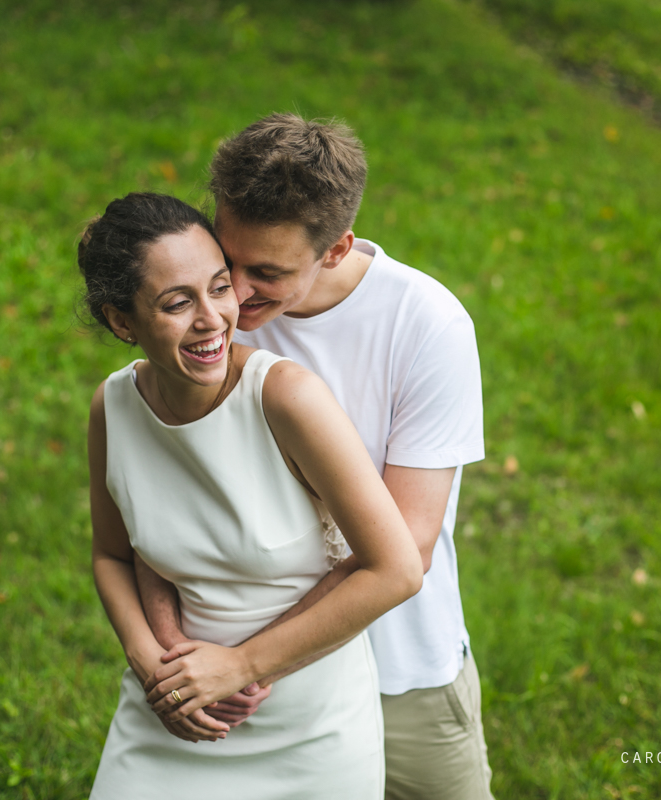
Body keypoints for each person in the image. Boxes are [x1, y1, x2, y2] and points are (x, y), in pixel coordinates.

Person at [136, 114, 495, 800]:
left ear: (336, 249)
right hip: (231, 688)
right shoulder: (203, 320)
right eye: (228, 261)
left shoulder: (427, 325)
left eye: (267, 272)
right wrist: (177, 657)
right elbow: (157, 493)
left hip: (398, 674)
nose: (236, 295)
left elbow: (408, 547)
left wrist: (251, 663)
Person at [80, 192, 423, 799]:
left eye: (220, 288)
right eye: (177, 303)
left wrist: (242, 666)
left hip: (308, 735)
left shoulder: (287, 399)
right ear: (122, 321)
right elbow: (112, 555)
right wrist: (149, 661)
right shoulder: (114, 407)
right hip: (170, 712)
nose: (212, 318)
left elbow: (396, 570)